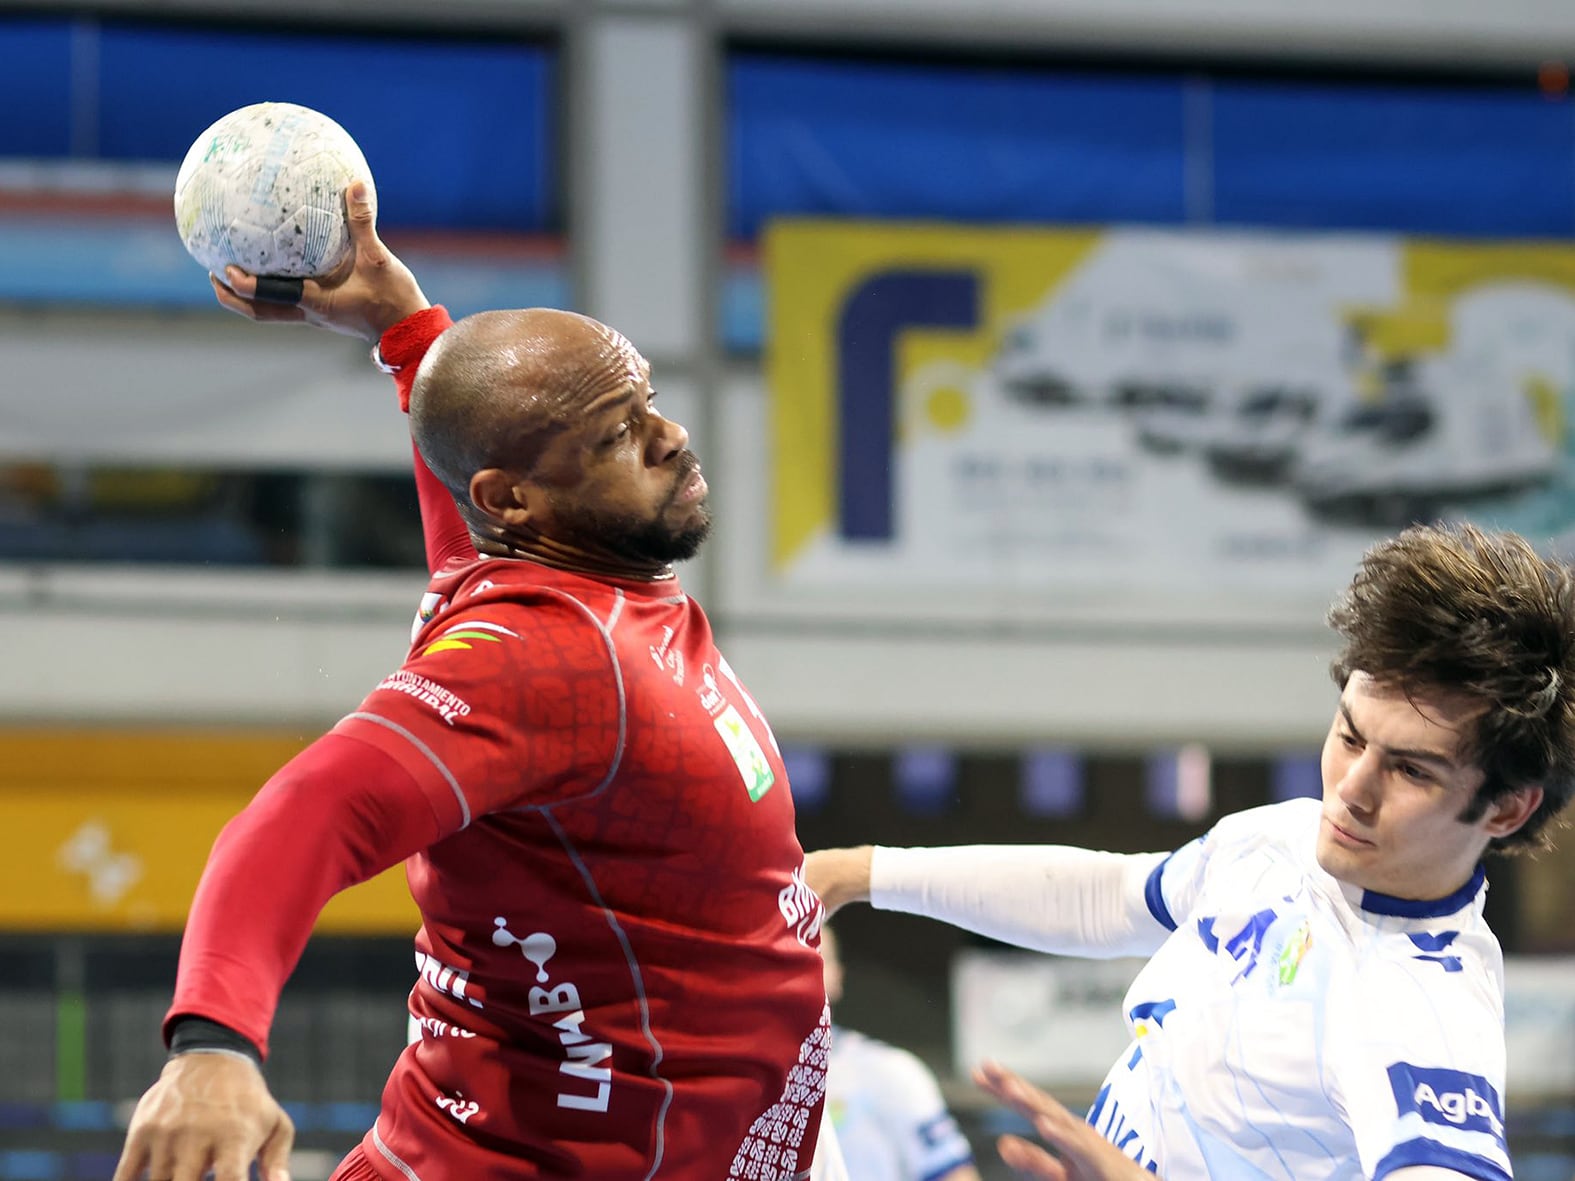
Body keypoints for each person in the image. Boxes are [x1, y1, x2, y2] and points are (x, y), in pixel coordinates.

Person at [112, 182, 830, 1181]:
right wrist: (213, 1045)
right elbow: (302, 813)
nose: (668, 437)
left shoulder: (551, 584)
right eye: (616, 435)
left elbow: (469, 526)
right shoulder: (547, 658)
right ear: (516, 498)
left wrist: (406, 331)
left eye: (650, 403)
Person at [810, 521, 1575, 1181]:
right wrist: (860, 871)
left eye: (1410, 769)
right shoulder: (1281, 837)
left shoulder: (1424, 1008)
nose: (1351, 790)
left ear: (1505, 808)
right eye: (1347, 734)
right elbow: (1106, 897)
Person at [818, 922, 980, 1181]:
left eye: (813, 961)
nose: (797, 977)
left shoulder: (890, 1071)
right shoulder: (735, 1078)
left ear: (838, 976)